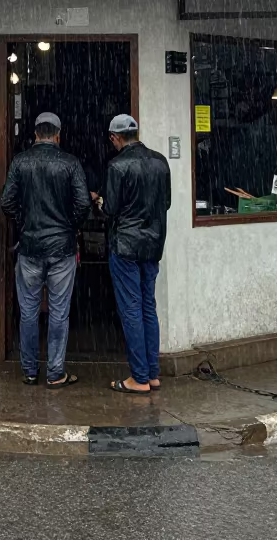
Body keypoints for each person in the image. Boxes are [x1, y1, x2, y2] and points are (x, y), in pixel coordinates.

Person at [1, 112, 91, 387]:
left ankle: (29, 370)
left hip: (29, 246)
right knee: (58, 311)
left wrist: (24, 220)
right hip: (62, 248)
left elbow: (6, 202)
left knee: (27, 311)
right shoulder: (70, 163)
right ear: (58, 135)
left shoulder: (20, 161)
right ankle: (55, 372)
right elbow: (84, 204)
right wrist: (69, 225)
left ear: (35, 133)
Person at [101, 114, 171, 394]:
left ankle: (138, 378)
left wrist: (100, 202)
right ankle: (152, 374)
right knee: (147, 307)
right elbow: (165, 202)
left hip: (126, 246)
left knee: (130, 309)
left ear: (114, 138)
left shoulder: (117, 166)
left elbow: (111, 209)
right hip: (152, 245)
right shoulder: (160, 162)